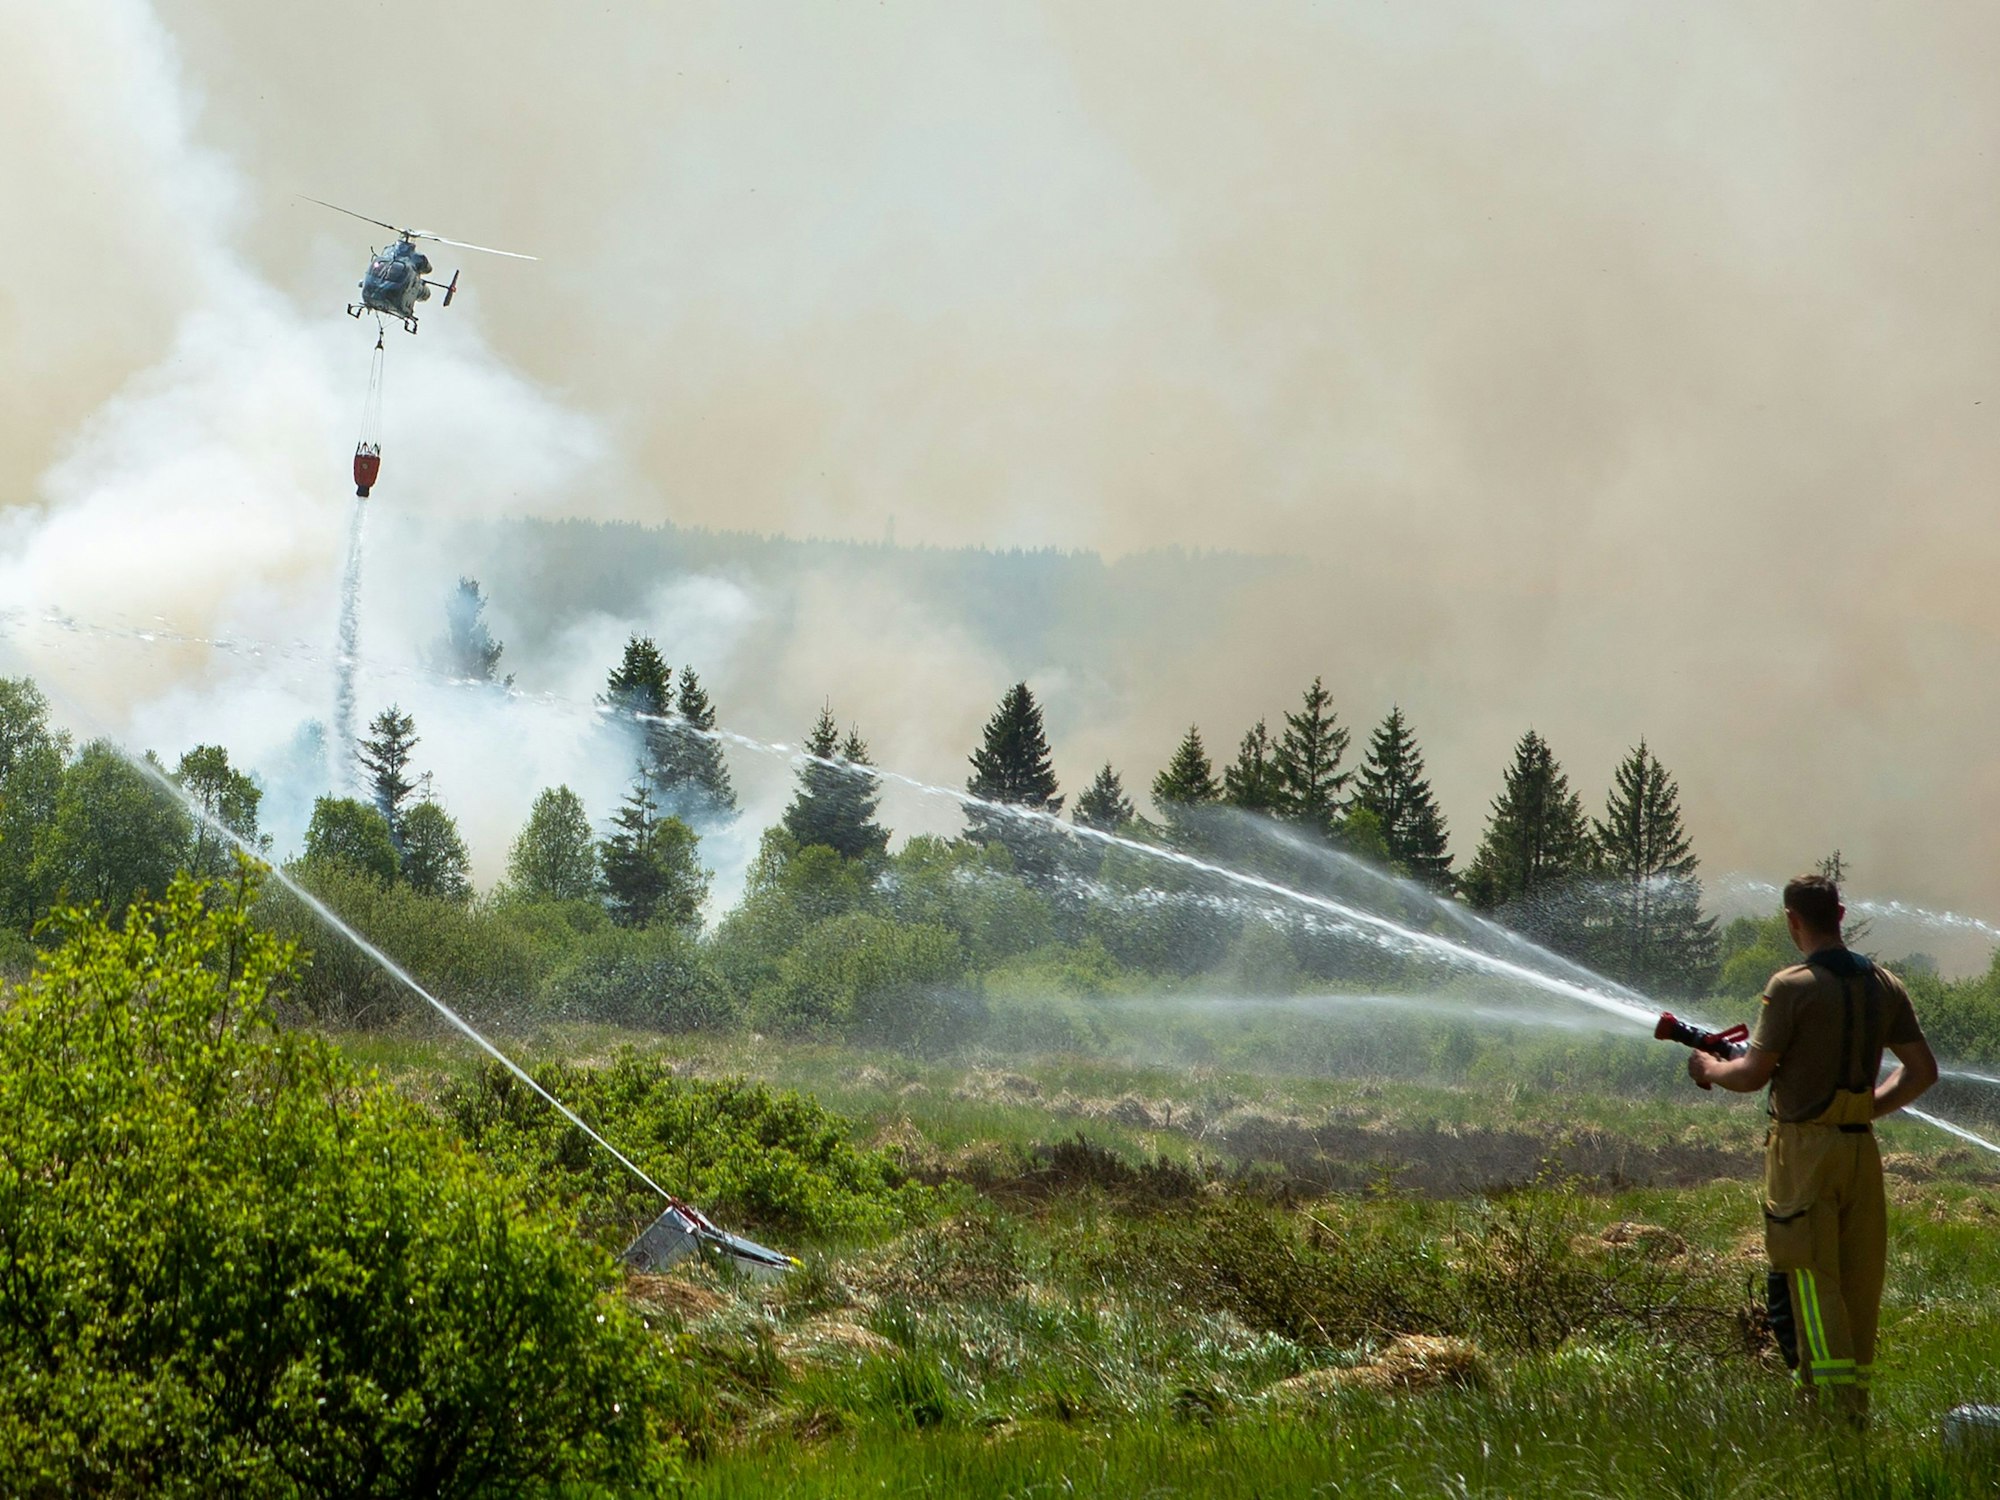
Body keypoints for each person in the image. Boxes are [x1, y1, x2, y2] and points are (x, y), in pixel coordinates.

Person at [1688, 873, 1937, 1419]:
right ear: (1840, 915)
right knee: (1857, 1283)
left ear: (1792, 920)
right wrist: (1862, 1108)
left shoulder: (1791, 986)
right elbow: (1922, 1072)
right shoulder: (1885, 985)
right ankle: (1854, 1407)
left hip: (1803, 1152)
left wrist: (1708, 1068)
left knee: (1806, 1278)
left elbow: (1751, 1075)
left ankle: (1824, 1410)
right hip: (1860, 1151)